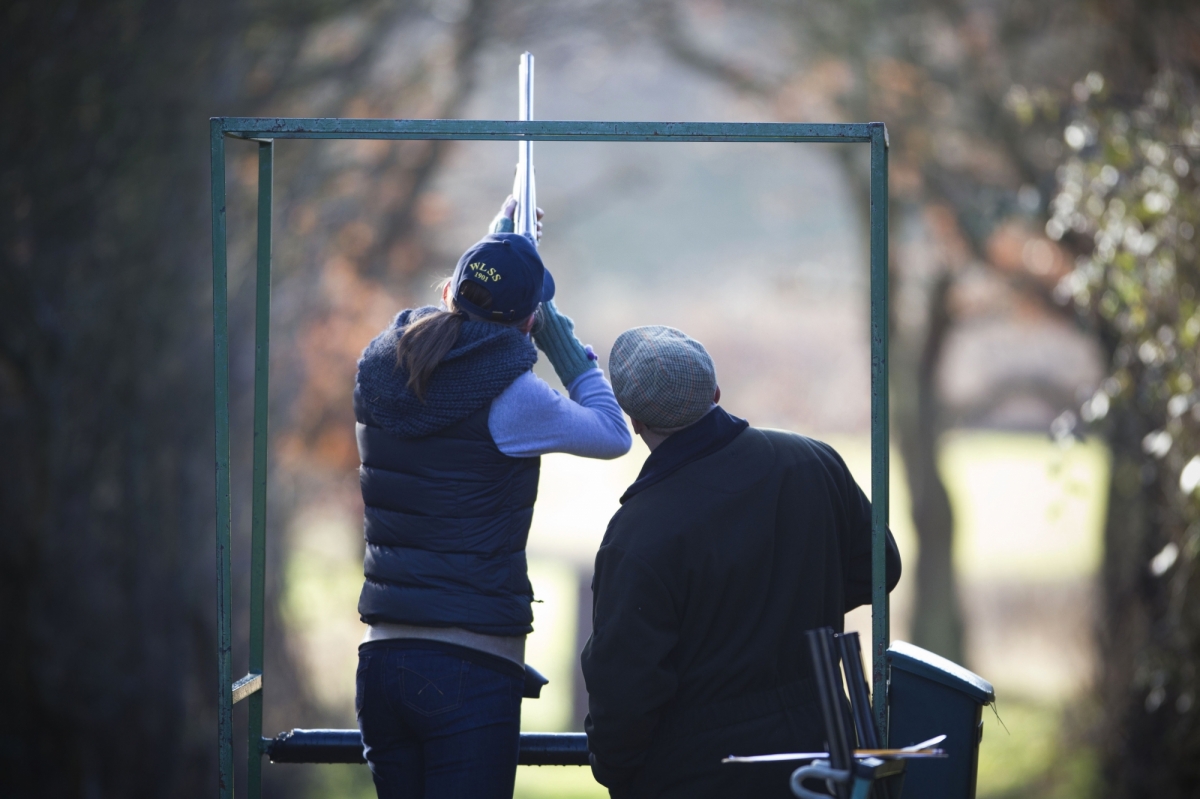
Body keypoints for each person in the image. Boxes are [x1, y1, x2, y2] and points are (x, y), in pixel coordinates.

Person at [352, 198, 631, 799]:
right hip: (469, 664)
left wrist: (498, 247)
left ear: (449, 290)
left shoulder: (380, 367)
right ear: (530, 321)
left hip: (380, 662)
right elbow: (613, 434)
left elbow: (458, 323)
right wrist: (565, 349)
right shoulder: (515, 396)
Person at [580, 325, 902, 799]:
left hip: (699, 773)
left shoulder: (640, 530)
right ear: (715, 392)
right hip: (822, 755)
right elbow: (880, 568)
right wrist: (793, 609)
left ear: (635, 421)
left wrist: (615, 768)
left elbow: (626, 683)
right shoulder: (812, 462)